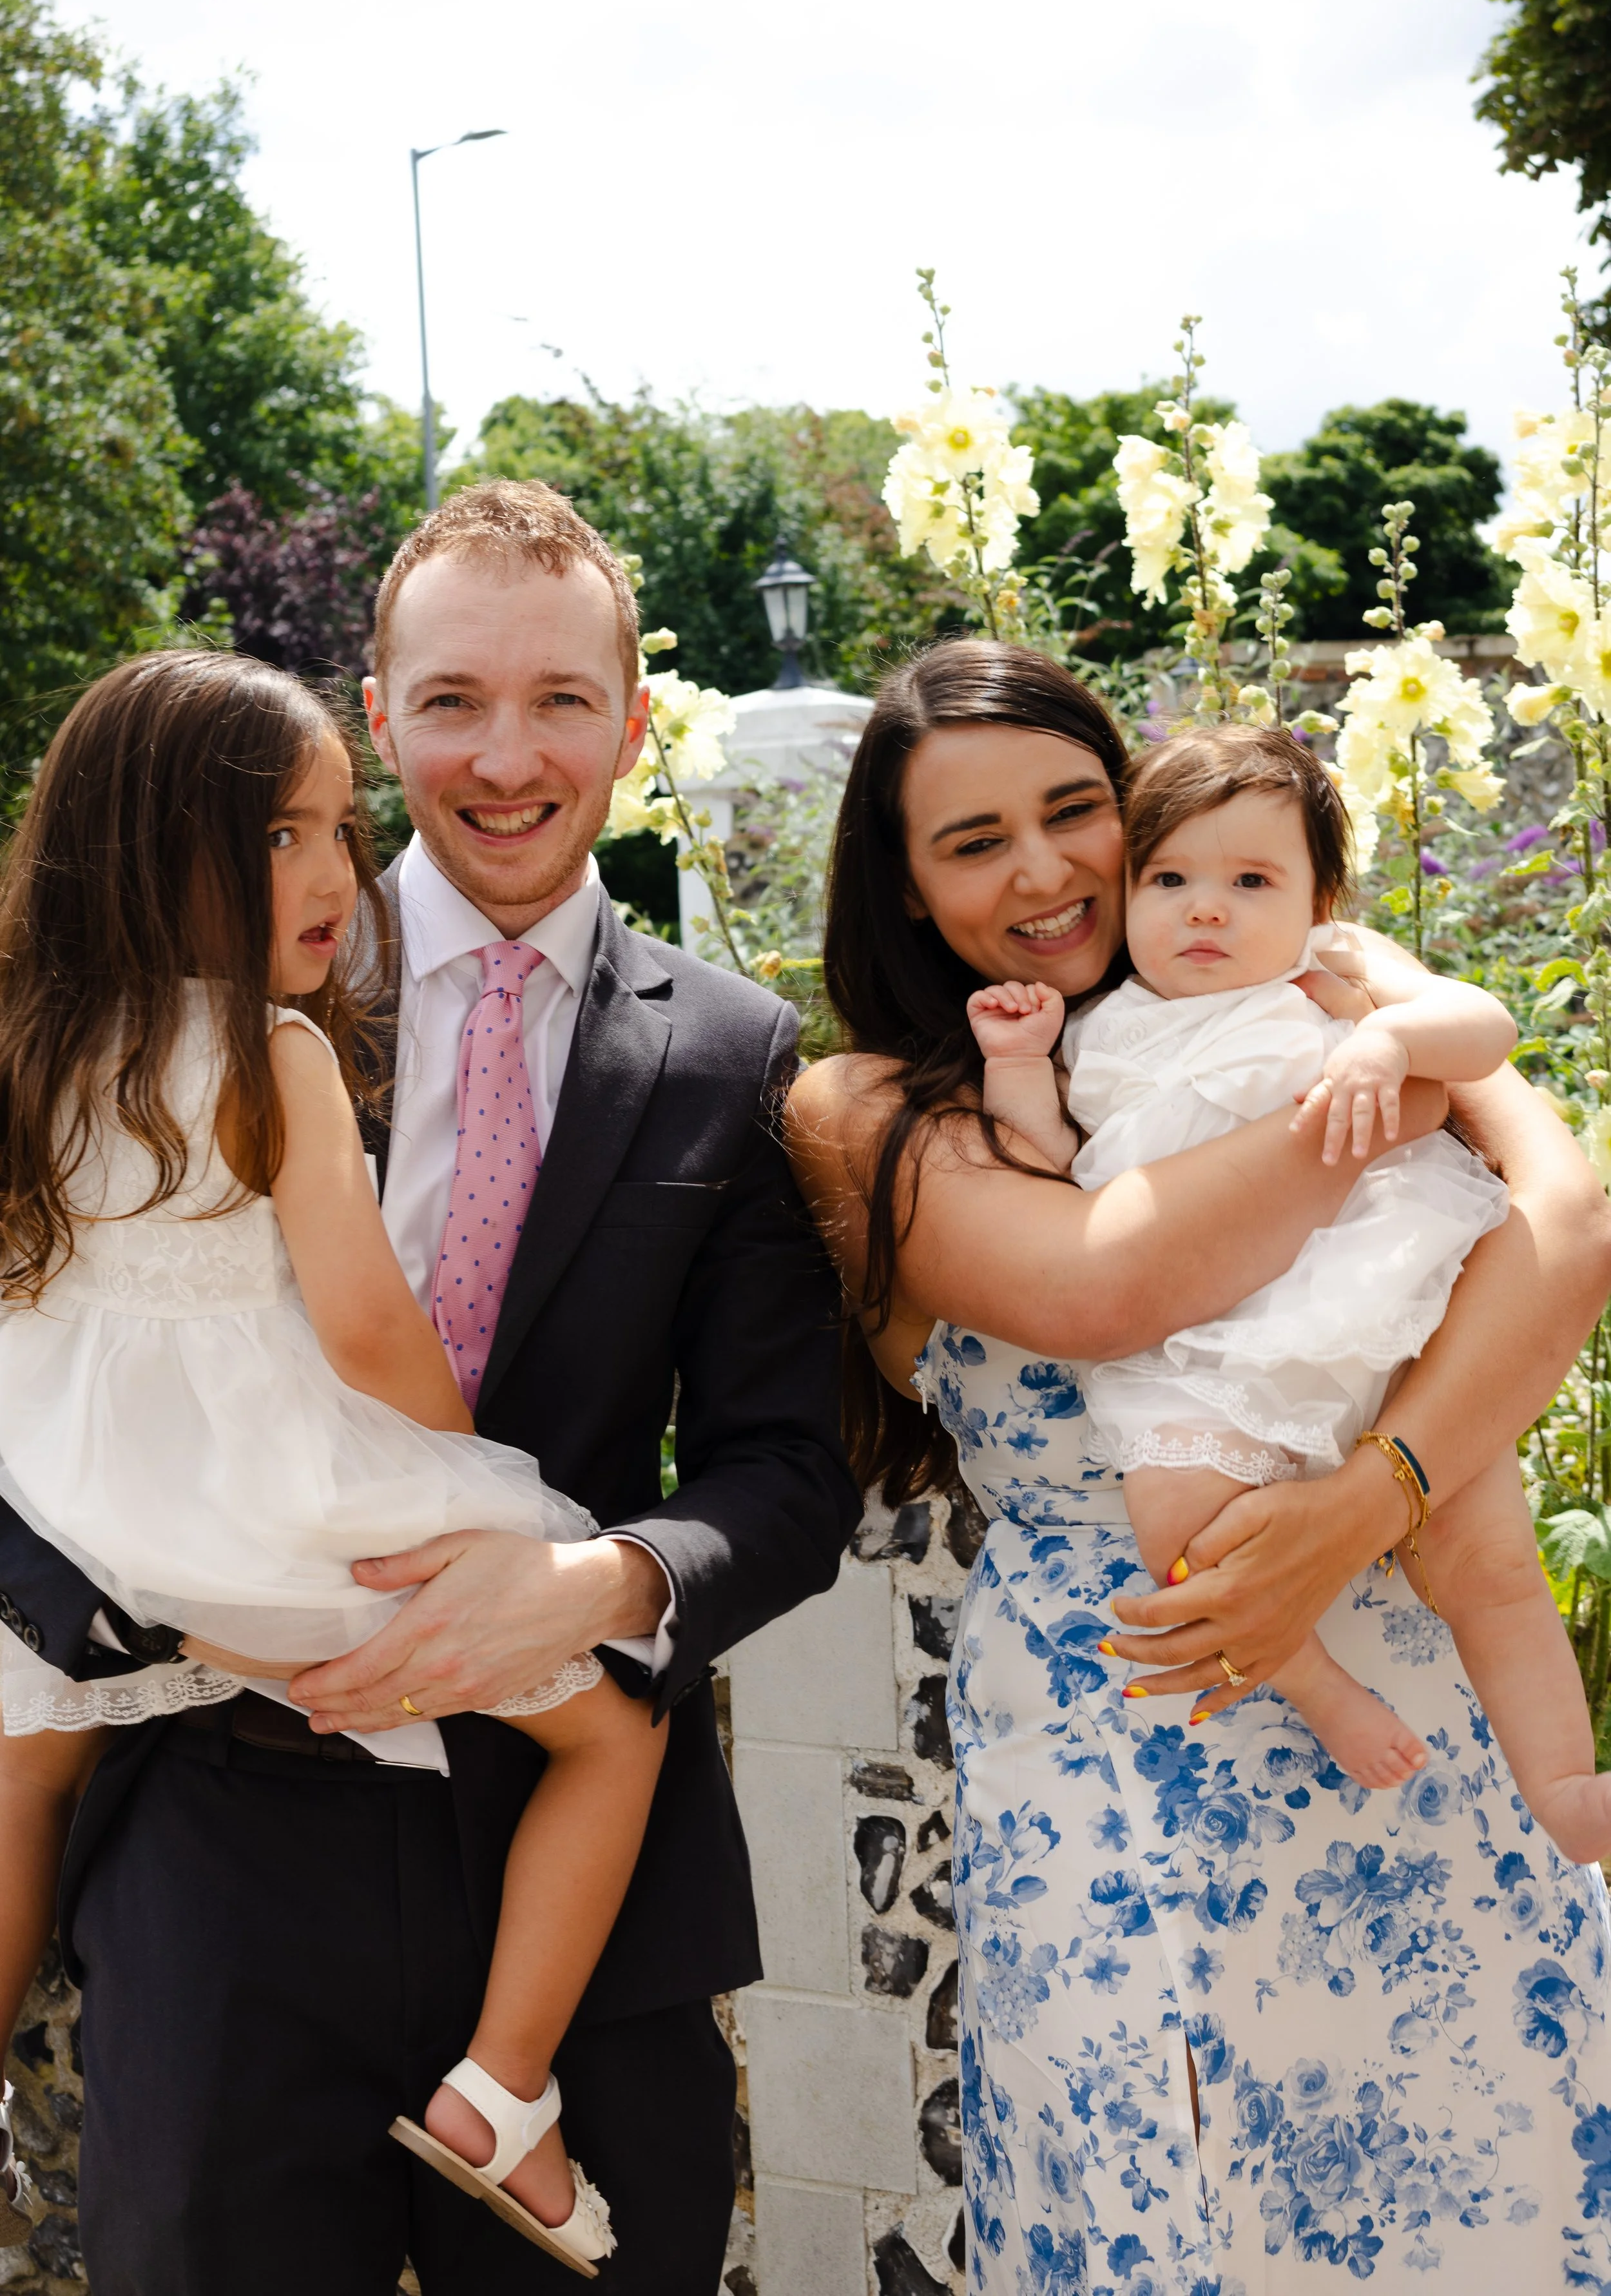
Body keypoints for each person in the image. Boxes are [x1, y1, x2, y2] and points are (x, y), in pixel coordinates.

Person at [0, 481, 857, 2296]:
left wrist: (599, 1577)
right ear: (377, 713)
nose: (507, 753)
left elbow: (788, 1472)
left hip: (586, 1904)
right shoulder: (206, 993)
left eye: (563, 698)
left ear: (635, 722)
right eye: (452, 698)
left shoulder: (727, 1051)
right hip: (218, 1843)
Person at [787, 637, 1611, 2291]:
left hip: (1406, 1692)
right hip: (1130, 1726)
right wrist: (1368, 1094)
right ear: (904, 891)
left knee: (1479, 2181)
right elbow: (1108, 1285)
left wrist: (1366, 1499)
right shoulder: (876, 1106)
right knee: (1178, 2207)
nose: (1043, 869)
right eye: (971, 842)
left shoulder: (1314, 1001)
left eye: (1076, 809)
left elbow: (1573, 1217)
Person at [969, 722, 1611, 1860]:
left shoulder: (1332, 982)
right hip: (1236, 1349)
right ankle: (1311, 1677)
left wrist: (1387, 1042)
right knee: (1175, 1510)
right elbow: (1055, 1161)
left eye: (1251, 880)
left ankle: (1567, 1783)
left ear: (1322, 900)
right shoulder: (1103, 1032)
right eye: (1170, 879)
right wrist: (1018, 1065)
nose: (1205, 908)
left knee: (1492, 1564)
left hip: (1399, 1317)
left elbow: (1487, 1030)